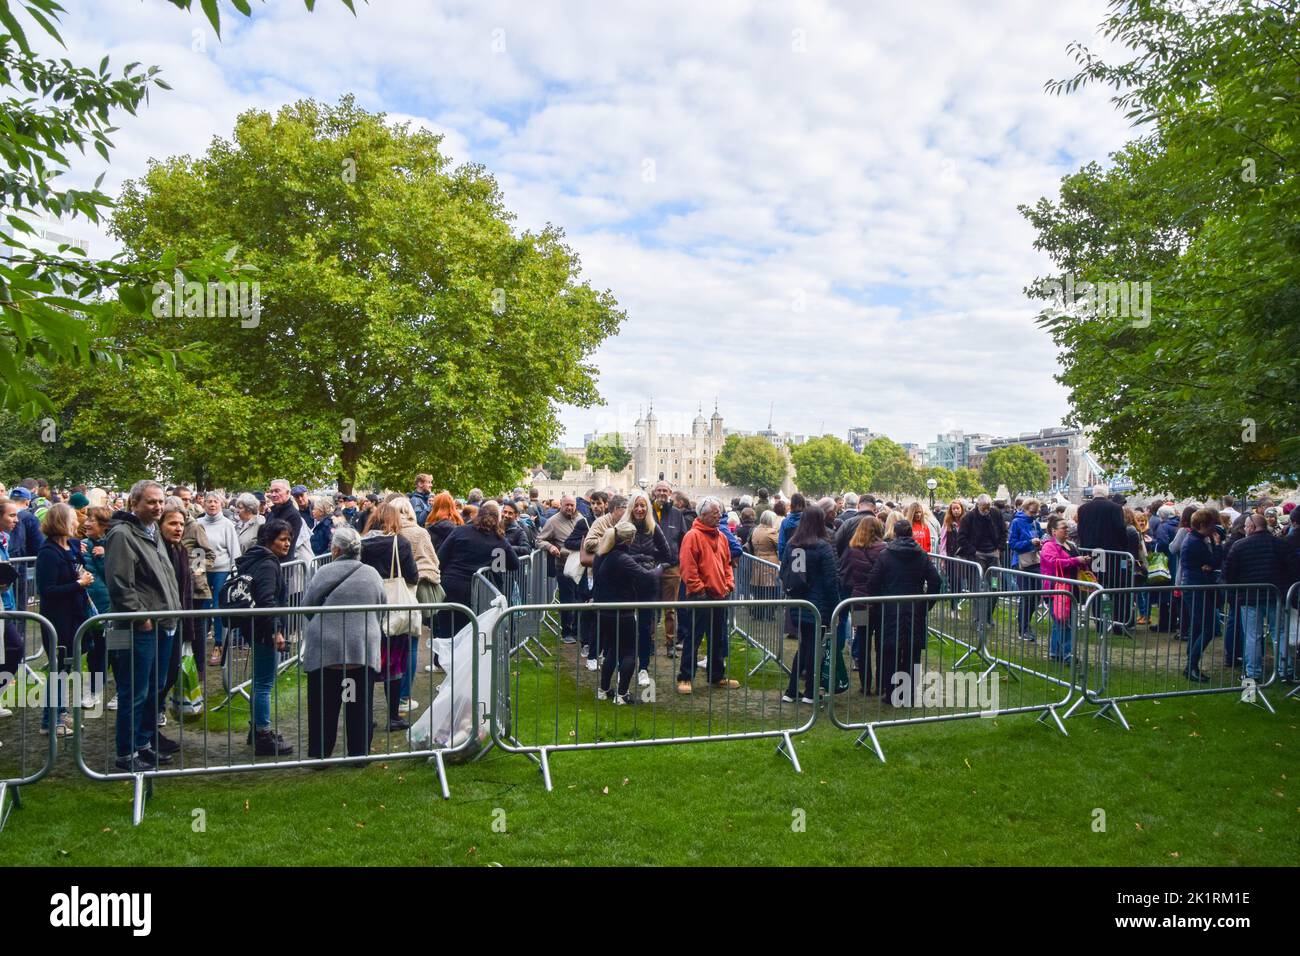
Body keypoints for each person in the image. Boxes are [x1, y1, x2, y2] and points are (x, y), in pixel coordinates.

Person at [104, 480, 182, 771]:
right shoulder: (122, 535)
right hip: (138, 628)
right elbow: (120, 584)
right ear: (134, 503)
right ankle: (126, 753)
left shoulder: (153, 532)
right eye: (151, 502)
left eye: (161, 501)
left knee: (155, 687)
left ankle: (143, 743)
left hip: (163, 623)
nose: (158, 507)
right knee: (134, 690)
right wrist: (142, 617)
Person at [302, 525, 386, 759]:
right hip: (361, 646)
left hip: (327, 648)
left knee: (323, 707)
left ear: (336, 549)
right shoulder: (372, 573)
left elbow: (308, 606)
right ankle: (359, 753)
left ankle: (320, 754)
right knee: (360, 705)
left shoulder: (323, 572)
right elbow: (383, 605)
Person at [229, 519, 294, 754]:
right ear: (269, 539)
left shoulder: (256, 558)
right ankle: (263, 734)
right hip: (264, 629)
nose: (287, 544)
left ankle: (257, 728)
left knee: (260, 681)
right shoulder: (267, 563)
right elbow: (267, 599)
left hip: (255, 626)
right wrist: (276, 631)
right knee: (264, 683)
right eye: (282, 539)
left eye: (289, 539)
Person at [867, 521, 943, 707]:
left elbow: (873, 583)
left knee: (890, 651)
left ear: (895, 533)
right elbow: (936, 581)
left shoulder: (886, 555)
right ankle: (907, 693)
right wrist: (925, 604)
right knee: (911, 652)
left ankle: (892, 692)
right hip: (913, 607)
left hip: (892, 607)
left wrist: (879, 602)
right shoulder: (921, 555)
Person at [360, 503, 419, 731]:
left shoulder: (361, 543)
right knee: (393, 666)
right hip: (393, 609)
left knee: (365, 666)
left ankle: (365, 715)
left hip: (366, 609)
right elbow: (412, 576)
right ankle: (393, 716)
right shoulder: (399, 543)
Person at [35, 503, 93, 737]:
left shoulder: (71, 546)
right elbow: (47, 590)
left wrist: (82, 574)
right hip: (57, 619)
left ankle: (60, 711)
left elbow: (78, 569)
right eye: (73, 519)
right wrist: (78, 584)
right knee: (58, 669)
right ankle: (50, 720)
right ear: (61, 521)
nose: (77, 523)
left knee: (66, 668)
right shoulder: (48, 552)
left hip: (75, 615)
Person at [675, 497, 739, 694]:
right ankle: (685, 677)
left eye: (719, 512)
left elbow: (727, 563)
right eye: (715, 513)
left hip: (720, 595)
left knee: (718, 637)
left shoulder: (720, 536)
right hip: (700, 596)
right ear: (703, 516)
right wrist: (700, 590)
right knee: (693, 637)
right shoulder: (692, 536)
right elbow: (688, 568)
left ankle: (716, 675)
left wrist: (729, 584)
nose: (719, 516)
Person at [591, 522, 659, 705]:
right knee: (630, 652)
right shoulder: (621, 558)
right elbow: (647, 577)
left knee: (612, 649)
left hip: (604, 610)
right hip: (622, 612)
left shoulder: (602, 554)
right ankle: (622, 694)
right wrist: (660, 568)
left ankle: (603, 690)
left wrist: (638, 557)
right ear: (630, 539)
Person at [779, 503, 839, 704]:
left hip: (798, 602)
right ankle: (810, 692)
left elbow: (783, 572)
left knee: (804, 646)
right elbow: (831, 580)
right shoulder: (822, 546)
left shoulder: (791, 544)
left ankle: (792, 689)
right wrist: (836, 607)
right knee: (814, 649)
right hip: (818, 604)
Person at [390, 495, 442, 707]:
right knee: (410, 642)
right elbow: (432, 561)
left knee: (392, 643)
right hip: (411, 591)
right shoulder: (419, 533)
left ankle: (393, 697)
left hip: (388, 592)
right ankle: (403, 696)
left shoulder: (385, 533)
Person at [1223, 514, 1284, 683]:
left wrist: (1236, 590)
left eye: (1247, 527)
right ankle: (1284, 669)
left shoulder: (1240, 546)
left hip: (1251, 597)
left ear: (1251, 527)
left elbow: (1228, 573)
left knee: (1253, 635)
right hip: (1273, 595)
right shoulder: (1279, 544)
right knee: (1278, 632)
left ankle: (1252, 672)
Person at [623, 491, 670, 684]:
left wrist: (655, 568)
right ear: (631, 508)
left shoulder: (654, 528)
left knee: (645, 627)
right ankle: (623, 664)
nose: (640, 509)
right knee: (625, 626)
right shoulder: (623, 528)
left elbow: (668, 556)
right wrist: (637, 560)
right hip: (627, 582)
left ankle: (643, 667)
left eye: (643, 506)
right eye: (637, 505)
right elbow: (616, 554)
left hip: (648, 583)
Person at [840, 514, 886, 694]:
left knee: (863, 640)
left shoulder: (852, 549)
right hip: (879, 601)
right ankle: (881, 684)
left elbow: (846, 573)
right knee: (880, 643)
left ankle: (865, 685)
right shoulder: (884, 549)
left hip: (859, 600)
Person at [535, 495, 589, 646]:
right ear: (561, 505)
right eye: (567, 505)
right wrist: (550, 547)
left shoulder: (581, 519)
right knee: (567, 599)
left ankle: (578, 630)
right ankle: (566, 631)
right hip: (564, 566)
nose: (570, 508)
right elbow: (539, 540)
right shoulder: (553, 521)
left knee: (581, 597)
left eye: (572, 505)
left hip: (581, 565)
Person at [1039, 515, 1092, 663]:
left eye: (1067, 527)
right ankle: (1067, 654)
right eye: (1064, 528)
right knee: (1063, 622)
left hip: (1071, 587)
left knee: (1061, 623)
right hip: (1056, 589)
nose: (1067, 530)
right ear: (1054, 531)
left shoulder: (1071, 545)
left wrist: (1083, 562)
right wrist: (1076, 560)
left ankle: (1056, 653)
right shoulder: (1048, 546)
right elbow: (1053, 563)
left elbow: (1075, 562)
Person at [1180, 508, 1224, 682]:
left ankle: (1191, 665)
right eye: (1212, 524)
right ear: (1203, 525)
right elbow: (1213, 561)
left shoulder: (1195, 539)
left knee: (1199, 627)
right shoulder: (1195, 542)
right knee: (1209, 627)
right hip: (1196, 587)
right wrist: (1218, 545)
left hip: (1196, 586)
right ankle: (1191, 665)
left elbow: (1210, 564)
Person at [199, 492, 241, 666]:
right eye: (209, 502)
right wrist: (196, 569)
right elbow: (195, 547)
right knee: (201, 606)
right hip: (202, 570)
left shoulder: (227, 525)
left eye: (215, 502)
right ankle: (198, 644)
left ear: (221, 504)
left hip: (222, 569)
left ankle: (218, 643)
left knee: (217, 606)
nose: (212, 505)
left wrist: (234, 573)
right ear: (203, 504)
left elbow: (234, 550)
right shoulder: (198, 523)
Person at [79, 506, 114, 709]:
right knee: (96, 651)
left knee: (115, 651)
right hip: (90, 606)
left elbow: (112, 576)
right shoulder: (83, 544)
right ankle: (94, 691)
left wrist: (104, 555)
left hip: (110, 605)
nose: (87, 523)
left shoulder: (113, 545)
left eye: (92, 520)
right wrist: (76, 549)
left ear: (103, 525)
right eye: (87, 519)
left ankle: (120, 691)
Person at [650, 481, 691, 657]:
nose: (661, 493)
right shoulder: (647, 512)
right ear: (653, 492)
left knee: (671, 609)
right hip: (651, 567)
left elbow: (683, 540)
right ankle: (648, 642)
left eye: (665, 490)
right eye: (659, 490)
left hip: (672, 569)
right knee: (650, 607)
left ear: (670, 492)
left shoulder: (676, 514)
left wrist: (680, 563)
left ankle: (670, 643)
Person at [956, 494, 1005, 622]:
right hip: (977, 556)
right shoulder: (969, 518)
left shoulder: (996, 514)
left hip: (993, 555)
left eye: (988, 507)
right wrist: (973, 551)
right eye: (983, 508)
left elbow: (1003, 532)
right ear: (978, 505)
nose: (986, 510)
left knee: (995, 587)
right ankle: (978, 618)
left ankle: (988, 616)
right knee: (978, 588)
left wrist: (999, 548)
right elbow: (961, 538)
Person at [1007, 498, 1043, 640]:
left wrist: (1040, 543)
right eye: (1031, 512)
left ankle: (1025, 623)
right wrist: (1029, 542)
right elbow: (1013, 543)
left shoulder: (1036, 523)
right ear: (1025, 509)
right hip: (1021, 563)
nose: (1033, 514)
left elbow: (1041, 536)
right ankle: (1023, 628)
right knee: (1026, 596)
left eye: (1035, 512)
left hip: (1035, 561)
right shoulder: (1016, 522)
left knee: (1036, 596)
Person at [777, 492, 806, 560]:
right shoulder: (808, 520)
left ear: (791, 505)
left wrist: (782, 559)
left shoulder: (785, 522)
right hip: (805, 557)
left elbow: (781, 543)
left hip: (789, 557)